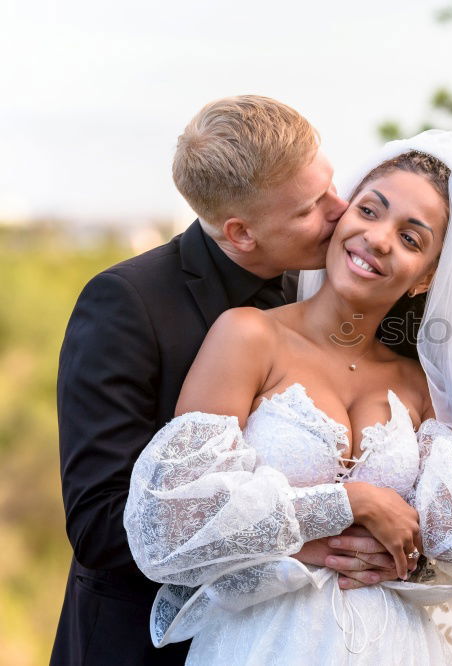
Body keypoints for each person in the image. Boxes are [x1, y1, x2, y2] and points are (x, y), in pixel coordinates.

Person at [124, 131, 452, 664]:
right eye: (370, 211)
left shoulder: (419, 386)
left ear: (427, 278)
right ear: (342, 216)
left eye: (412, 239)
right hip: (262, 646)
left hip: (398, 648)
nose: (379, 238)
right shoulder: (248, 337)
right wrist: (352, 503)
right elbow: (170, 524)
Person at [52, 95, 393, 665]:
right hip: (143, 645)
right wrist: (302, 534)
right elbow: (99, 525)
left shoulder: (321, 285)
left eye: (332, 184)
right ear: (240, 233)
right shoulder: (125, 305)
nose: (341, 212)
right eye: (311, 207)